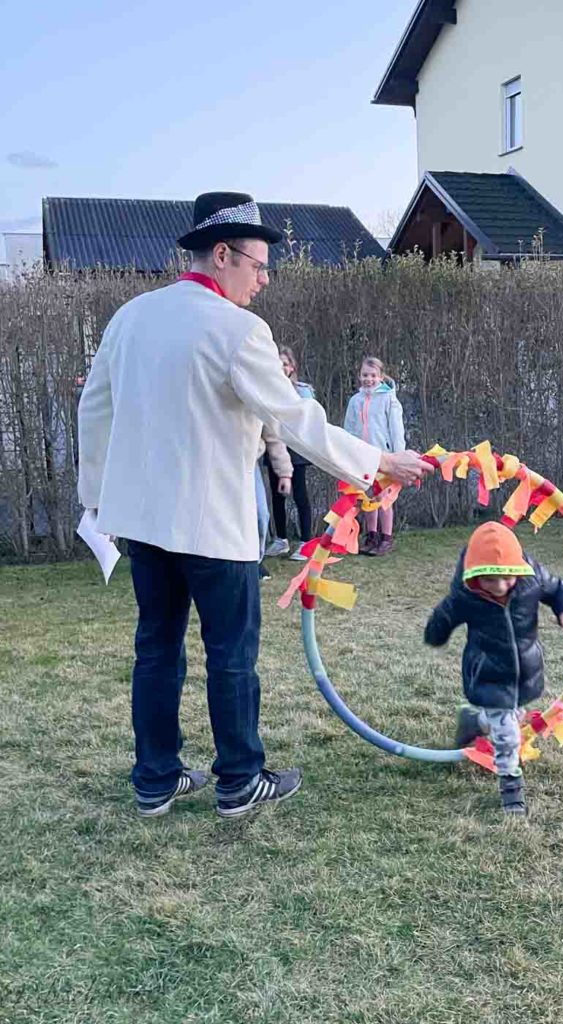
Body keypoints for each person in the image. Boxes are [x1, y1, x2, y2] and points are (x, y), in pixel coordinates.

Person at [77, 191, 432, 820]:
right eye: (259, 265)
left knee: (156, 648)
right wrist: (378, 462)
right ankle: (239, 778)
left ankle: (155, 779)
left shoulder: (130, 316)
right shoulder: (239, 329)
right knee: (231, 653)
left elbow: (95, 409)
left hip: (143, 525)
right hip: (212, 523)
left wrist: (98, 499)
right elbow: (296, 417)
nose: (265, 281)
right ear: (221, 254)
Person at [424, 521, 563, 817]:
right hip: (488, 672)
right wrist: (436, 633)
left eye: (506, 578)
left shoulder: (532, 578)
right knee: (509, 734)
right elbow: (445, 614)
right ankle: (511, 788)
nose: (499, 587)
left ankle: (476, 721)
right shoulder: (466, 594)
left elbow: (558, 588)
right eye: (489, 580)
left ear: (518, 569)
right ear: (474, 576)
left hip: (526, 670)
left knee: (512, 715)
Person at [343, 356, 405, 556]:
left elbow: (396, 429)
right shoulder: (355, 401)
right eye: (364, 375)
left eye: (372, 375)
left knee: (384, 497)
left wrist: (398, 456)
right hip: (363, 456)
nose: (368, 379)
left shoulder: (389, 399)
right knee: (367, 496)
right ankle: (371, 536)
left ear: (380, 377)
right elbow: (349, 429)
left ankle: (386, 537)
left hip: (384, 455)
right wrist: (349, 453)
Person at [263, 347, 315, 561]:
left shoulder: (302, 391)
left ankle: (306, 542)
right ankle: (281, 539)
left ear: (292, 367)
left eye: (285, 363)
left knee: (300, 495)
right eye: (277, 363)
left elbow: (310, 419)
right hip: (275, 445)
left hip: (297, 449)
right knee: (277, 496)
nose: (281, 368)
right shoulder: (265, 389)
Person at [255, 426, 293, 580]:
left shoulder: (257, 402)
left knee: (261, 516)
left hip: (248, 465)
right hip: (216, 466)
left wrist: (284, 473)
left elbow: (272, 435)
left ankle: (255, 561)